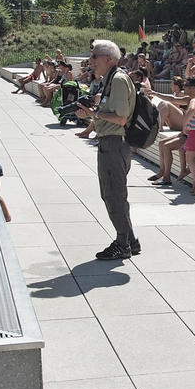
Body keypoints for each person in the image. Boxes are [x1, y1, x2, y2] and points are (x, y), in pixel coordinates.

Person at [74, 40, 139, 260]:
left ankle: (122, 244)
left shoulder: (118, 80)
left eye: (95, 56)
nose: (91, 60)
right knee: (115, 194)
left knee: (112, 195)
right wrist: (92, 113)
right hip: (111, 143)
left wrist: (95, 114)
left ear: (108, 59)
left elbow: (120, 118)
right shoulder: (111, 80)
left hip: (114, 143)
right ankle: (130, 240)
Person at [150, 77, 195, 184]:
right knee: (161, 143)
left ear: (192, 88)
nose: (183, 88)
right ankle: (162, 172)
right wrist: (155, 93)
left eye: (186, 86)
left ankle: (166, 178)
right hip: (187, 133)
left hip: (192, 135)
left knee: (166, 146)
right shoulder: (189, 99)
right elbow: (171, 99)